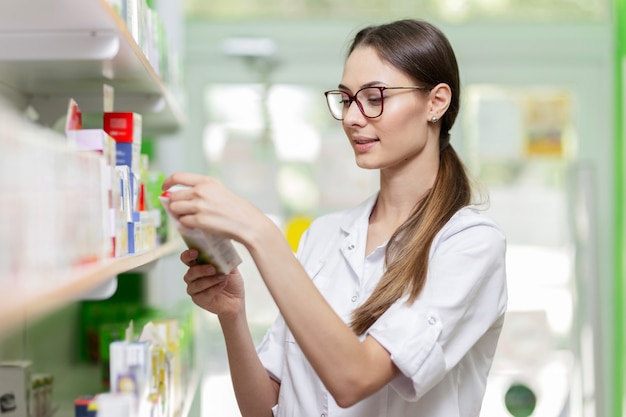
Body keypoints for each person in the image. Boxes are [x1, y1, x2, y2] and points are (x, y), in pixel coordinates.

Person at [162, 18, 507, 417]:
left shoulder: (470, 244)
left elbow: (354, 379)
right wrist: (232, 315)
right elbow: (262, 407)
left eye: (375, 97)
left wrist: (259, 232)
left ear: (436, 102)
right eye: (346, 99)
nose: (352, 118)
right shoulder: (324, 236)